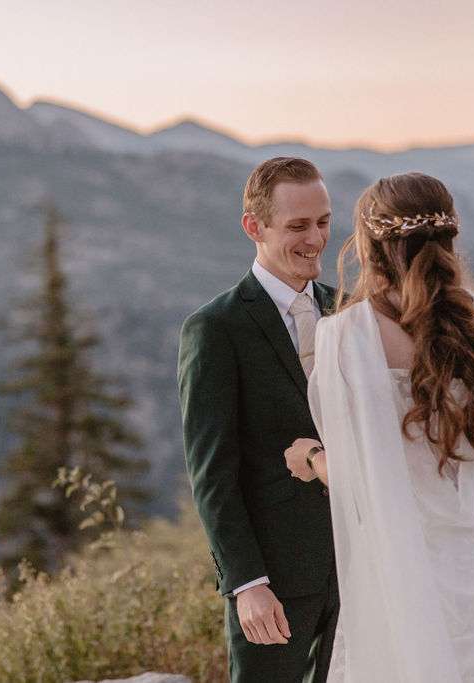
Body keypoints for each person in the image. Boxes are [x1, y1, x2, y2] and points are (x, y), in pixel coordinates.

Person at [284, 172, 474, 682]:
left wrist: (312, 461)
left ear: (367, 245)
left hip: (406, 573)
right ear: (450, 237)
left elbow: (364, 480)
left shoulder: (344, 338)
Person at [178, 157, 340, 682]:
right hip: (275, 581)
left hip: (361, 567)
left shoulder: (350, 314)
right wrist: (247, 583)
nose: (315, 239)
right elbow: (212, 473)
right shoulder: (215, 328)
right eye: (297, 226)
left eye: (323, 222)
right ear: (254, 227)